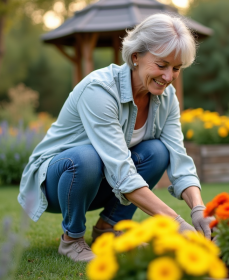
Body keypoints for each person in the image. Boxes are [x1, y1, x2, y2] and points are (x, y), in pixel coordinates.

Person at [18, 13, 213, 262]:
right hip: (57, 183)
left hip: (103, 180)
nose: (168, 77)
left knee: (158, 151)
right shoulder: (99, 91)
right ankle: (72, 240)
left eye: (176, 69)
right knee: (86, 156)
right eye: (161, 65)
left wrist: (198, 208)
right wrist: (176, 223)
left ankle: (107, 230)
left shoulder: (167, 97)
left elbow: (178, 157)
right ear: (135, 57)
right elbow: (121, 171)